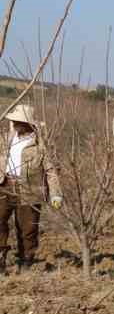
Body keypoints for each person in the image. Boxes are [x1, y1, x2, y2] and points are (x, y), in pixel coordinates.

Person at [0, 105, 61, 272]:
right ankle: (0, 258)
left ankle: (27, 262)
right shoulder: (6, 139)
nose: (13, 123)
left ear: (27, 124)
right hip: (4, 185)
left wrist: (56, 194)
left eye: (17, 121)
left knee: (28, 228)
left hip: (30, 189)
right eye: (13, 120)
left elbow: (51, 170)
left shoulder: (41, 145)